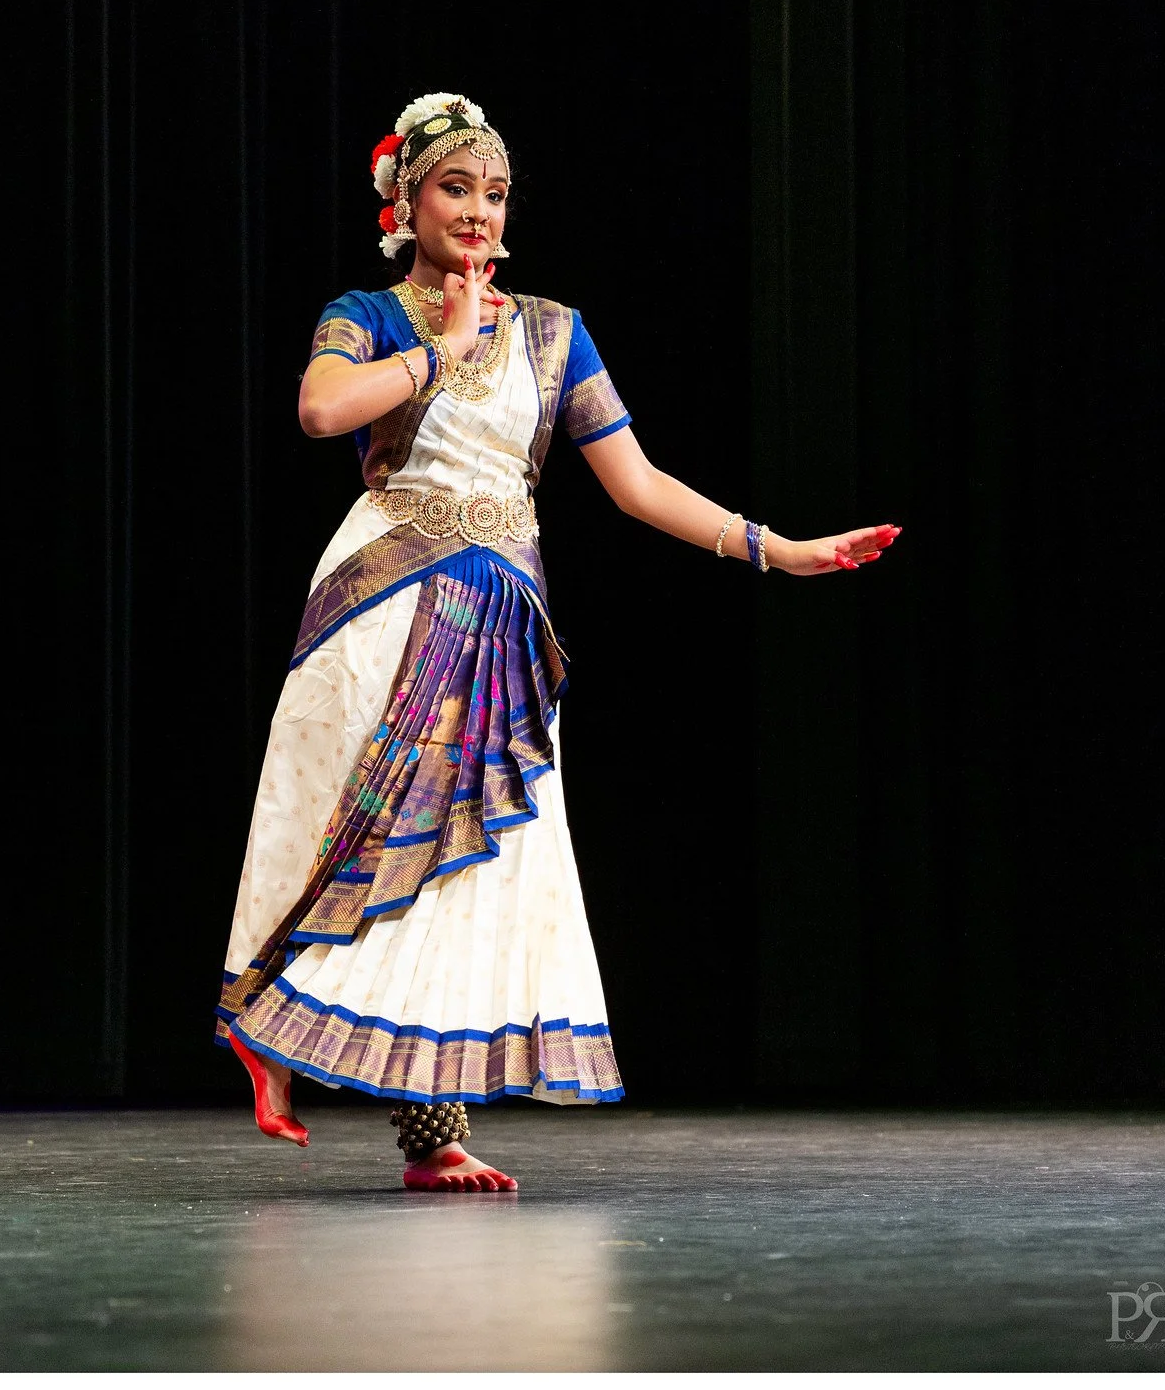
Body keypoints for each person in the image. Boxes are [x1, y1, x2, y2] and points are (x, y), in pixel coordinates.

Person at [217, 91, 899, 1192]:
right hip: (385, 602)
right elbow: (320, 410)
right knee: (356, 826)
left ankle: (429, 1135)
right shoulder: (368, 313)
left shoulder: (550, 328)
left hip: (501, 619)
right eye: (455, 188)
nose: (480, 210)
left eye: (494, 192)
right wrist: (437, 352)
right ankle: (266, 1014)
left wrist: (782, 550)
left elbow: (636, 484)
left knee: (469, 863)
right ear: (404, 201)